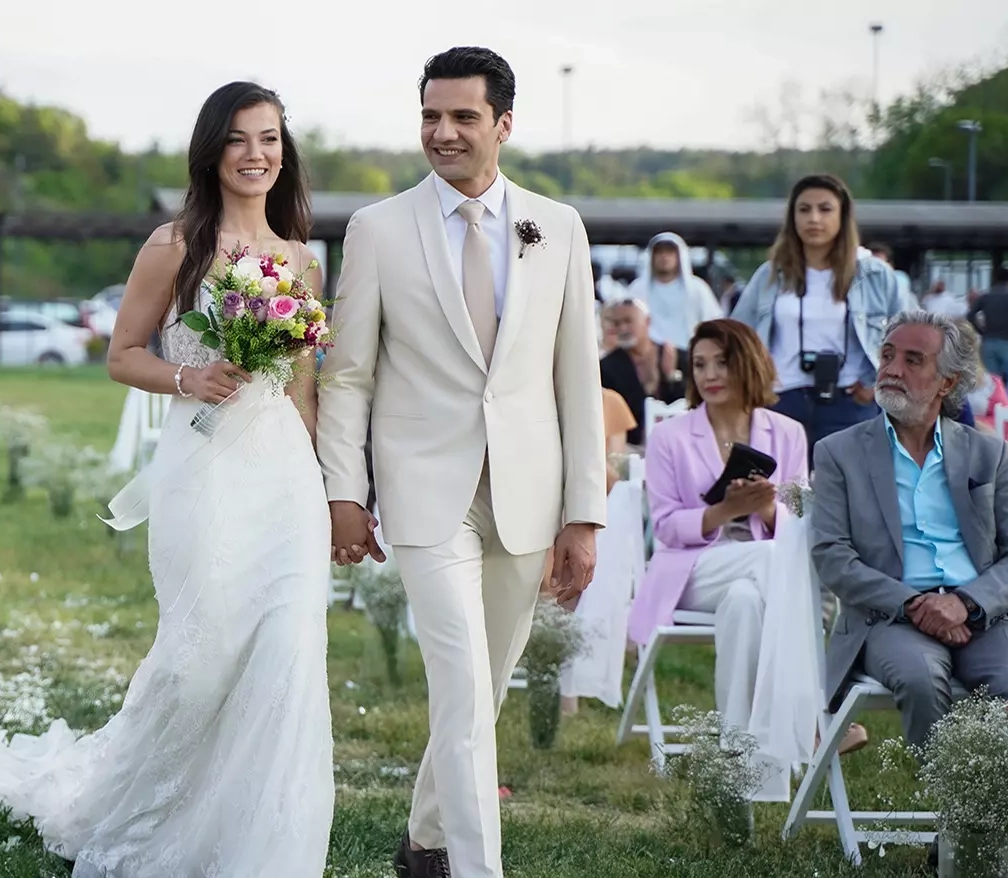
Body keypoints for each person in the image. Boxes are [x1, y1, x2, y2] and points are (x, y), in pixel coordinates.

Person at [0, 83, 335, 877]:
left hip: (285, 481)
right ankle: (142, 812)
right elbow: (122, 354)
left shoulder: (302, 259)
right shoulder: (174, 245)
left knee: (289, 650)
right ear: (212, 151)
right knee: (198, 659)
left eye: (270, 138)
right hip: (202, 470)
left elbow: (305, 386)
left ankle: (266, 846)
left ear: (286, 151)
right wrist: (189, 380)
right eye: (239, 139)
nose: (256, 154)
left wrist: (332, 492)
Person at [316, 46, 607, 878]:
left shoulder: (558, 227)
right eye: (430, 116)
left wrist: (583, 513)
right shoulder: (377, 229)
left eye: (463, 117)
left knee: (480, 692)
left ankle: (424, 844)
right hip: (422, 491)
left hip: (527, 497)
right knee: (462, 688)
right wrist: (344, 490)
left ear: (503, 125)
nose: (442, 133)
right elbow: (349, 374)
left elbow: (575, 377)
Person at [811, 312, 1008, 864]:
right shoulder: (839, 451)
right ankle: (956, 824)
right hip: (888, 616)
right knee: (918, 675)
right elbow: (832, 557)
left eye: (913, 360)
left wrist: (965, 603)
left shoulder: (988, 453)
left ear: (948, 382)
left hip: (979, 610)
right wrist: (913, 602)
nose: (892, 369)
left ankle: (983, 823)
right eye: (887, 355)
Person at [626, 319, 834, 799]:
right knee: (767, 562)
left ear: (748, 363)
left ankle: (741, 771)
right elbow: (664, 528)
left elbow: (799, 518)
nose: (709, 374)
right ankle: (815, 715)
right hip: (690, 571)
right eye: (699, 364)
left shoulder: (787, 433)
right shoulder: (670, 436)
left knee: (745, 603)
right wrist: (724, 511)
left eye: (721, 361)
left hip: (757, 574)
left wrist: (763, 507)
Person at [731, 174, 911, 467]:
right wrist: (756, 383)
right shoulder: (770, 274)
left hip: (852, 402)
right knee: (783, 499)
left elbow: (912, 335)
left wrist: (880, 382)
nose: (813, 218)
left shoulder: (875, 274)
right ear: (792, 218)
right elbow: (736, 335)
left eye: (825, 209)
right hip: (781, 400)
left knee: (849, 500)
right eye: (804, 209)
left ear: (843, 216)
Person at [600, 297, 688, 447]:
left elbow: (690, 403)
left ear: (647, 321)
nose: (622, 328)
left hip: (678, 442)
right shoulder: (607, 366)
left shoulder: (675, 356)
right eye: (617, 323)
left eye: (628, 321)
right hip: (631, 446)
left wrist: (671, 376)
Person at [623, 231, 723, 348]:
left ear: (679, 256)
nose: (664, 257)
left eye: (670, 252)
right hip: (648, 355)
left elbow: (713, 320)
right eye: (659, 252)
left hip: (688, 352)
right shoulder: (638, 288)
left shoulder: (697, 288)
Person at [967, 264, 1008, 406]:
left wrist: (981, 331)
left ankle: (995, 407)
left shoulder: (985, 297)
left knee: (993, 379)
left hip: (988, 342)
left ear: (994, 278)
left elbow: (970, 315)